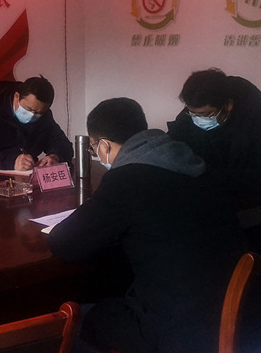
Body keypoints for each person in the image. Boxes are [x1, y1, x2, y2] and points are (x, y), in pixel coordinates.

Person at [48, 98, 245, 353]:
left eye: (94, 148)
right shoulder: (193, 161)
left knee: (80, 320)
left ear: (104, 145)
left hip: (174, 330)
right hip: (230, 312)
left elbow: (64, 243)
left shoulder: (126, 179)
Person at [167, 68, 261, 197]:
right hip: (202, 192)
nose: (198, 119)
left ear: (228, 105)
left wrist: (207, 177)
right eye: (192, 113)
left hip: (247, 197)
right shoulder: (189, 115)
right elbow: (171, 144)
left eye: (206, 114)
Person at [0, 76, 73, 171]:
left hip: (27, 179)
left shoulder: (44, 117)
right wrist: (12, 161)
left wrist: (55, 156)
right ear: (16, 96)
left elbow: (62, 144)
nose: (32, 115)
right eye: (28, 109)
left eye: (38, 113)